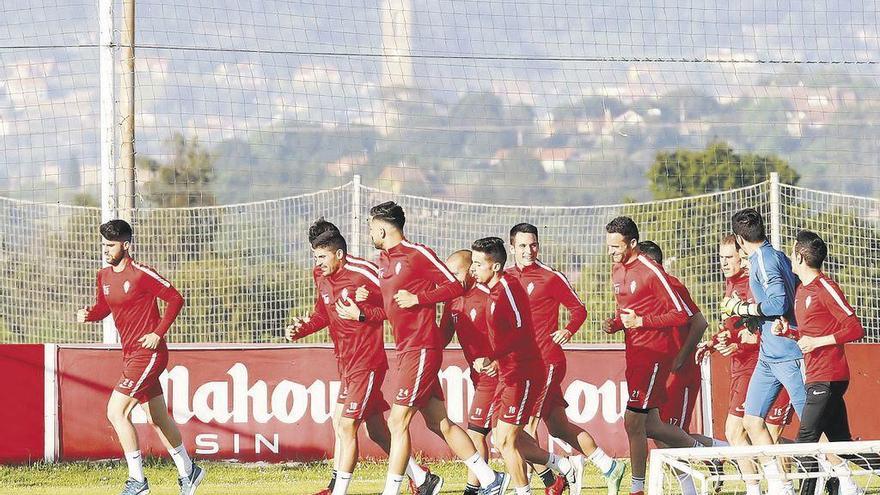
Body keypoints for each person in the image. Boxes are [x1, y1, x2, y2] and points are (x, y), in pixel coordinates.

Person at [367, 202, 506, 495]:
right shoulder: (383, 261)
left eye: (370, 227)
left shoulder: (418, 254)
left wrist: (419, 299)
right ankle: (491, 478)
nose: (370, 232)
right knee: (439, 422)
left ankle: (396, 489)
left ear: (381, 228)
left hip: (421, 348)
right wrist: (363, 310)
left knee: (397, 420)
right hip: (406, 350)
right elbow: (391, 309)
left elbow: (454, 287)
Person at [287, 224, 431, 495]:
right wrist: (301, 329)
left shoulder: (364, 272)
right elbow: (322, 314)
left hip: (367, 362)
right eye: (314, 256)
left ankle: (337, 490)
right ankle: (423, 478)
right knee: (375, 431)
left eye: (321, 256)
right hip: (346, 363)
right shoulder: (320, 274)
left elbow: (393, 307)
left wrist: (364, 311)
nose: (317, 263)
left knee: (345, 424)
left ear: (339, 253)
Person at [76, 219, 204, 495]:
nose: (106, 250)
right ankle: (188, 471)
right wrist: (90, 315)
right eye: (104, 245)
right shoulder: (104, 276)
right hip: (130, 355)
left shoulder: (141, 273)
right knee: (157, 417)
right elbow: (104, 308)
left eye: (111, 245)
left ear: (126, 244)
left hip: (148, 354)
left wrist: (158, 333)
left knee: (116, 411)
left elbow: (175, 298)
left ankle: (138, 482)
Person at [505, 223, 624, 495]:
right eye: (522, 246)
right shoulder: (507, 278)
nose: (528, 250)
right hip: (519, 364)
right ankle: (608, 467)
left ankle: (529, 484)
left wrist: (567, 330)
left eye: (533, 244)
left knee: (523, 426)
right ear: (512, 247)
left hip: (546, 361)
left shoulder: (550, 277)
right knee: (558, 427)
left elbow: (578, 310)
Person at [603, 216, 708, 495]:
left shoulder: (651, 270)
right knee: (652, 426)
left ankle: (637, 487)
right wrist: (615, 324)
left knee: (633, 420)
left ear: (633, 243)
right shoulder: (617, 270)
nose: (611, 252)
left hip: (653, 355)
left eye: (616, 246)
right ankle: (707, 450)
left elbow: (681, 314)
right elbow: (628, 311)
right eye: (609, 246)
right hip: (634, 354)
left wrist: (643, 322)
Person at [470, 237, 578, 495]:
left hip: (524, 372)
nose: (473, 269)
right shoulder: (495, 290)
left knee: (506, 440)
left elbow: (521, 334)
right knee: (504, 437)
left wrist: (491, 356)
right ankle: (561, 465)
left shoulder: (508, 289)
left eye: (478, 263)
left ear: (495, 266)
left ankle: (527, 489)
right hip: (509, 372)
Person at [696, 234, 795, 495]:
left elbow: (765, 330)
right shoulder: (731, 284)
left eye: (730, 257)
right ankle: (772, 483)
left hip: (762, 366)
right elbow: (734, 328)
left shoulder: (754, 284)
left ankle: (775, 484)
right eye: (721, 258)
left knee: (751, 432)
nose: (724, 263)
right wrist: (716, 341)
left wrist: (740, 344)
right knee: (752, 433)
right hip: (741, 367)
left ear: (743, 255)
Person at [776, 231, 869, 495]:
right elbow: (810, 335)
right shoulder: (801, 290)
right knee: (842, 446)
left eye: (793, 250)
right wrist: (789, 333)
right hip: (815, 376)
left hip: (829, 376)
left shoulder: (825, 286)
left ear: (801, 256)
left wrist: (818, 343)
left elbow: (855, 328)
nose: (790, 255)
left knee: (805, 441)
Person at [724, 209, 805, 494]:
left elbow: (779, 303)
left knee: (813, 424)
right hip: (768, 357)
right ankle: (780, 486)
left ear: (739, 239)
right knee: (752, 421)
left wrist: (742, 308)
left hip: (788, 355)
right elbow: (793, 292)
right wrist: (753, 320)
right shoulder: (778, 255)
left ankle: (844, 479)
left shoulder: (764, 260)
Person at [438, 250, 498, 495]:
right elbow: (441, 338)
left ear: (471, 271)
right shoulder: (452, 302)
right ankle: (557, 472)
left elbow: (511, 335)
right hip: (478, 378)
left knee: (475, 432)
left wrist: (494, 359)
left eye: (456, 273)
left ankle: (476, 488)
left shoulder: (488, 297)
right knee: (509, 438)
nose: (451, 278)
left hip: (496, 376)